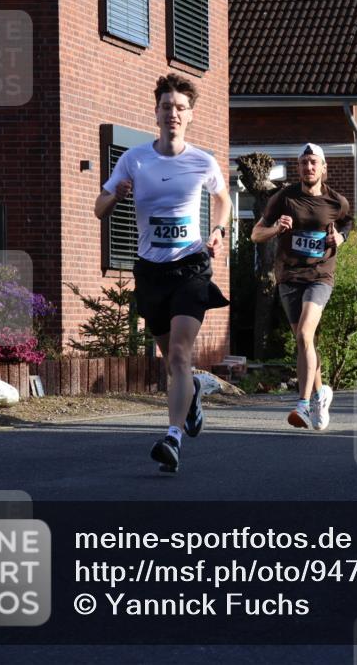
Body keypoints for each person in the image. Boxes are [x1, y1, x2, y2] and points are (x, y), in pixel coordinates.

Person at [94, 73, 231, 473]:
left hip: (190, 266)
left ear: (190, 116)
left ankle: (172, 438)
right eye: (167, 106)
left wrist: (218, 231)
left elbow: (221, 197)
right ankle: (192, 395)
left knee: (179, 353)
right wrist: (114, 195)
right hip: (150, 270)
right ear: (156, 112)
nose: (173, 113)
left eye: (181, 108)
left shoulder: (202, 160)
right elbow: (99, 208)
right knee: (173, 363)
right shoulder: (134, 159)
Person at [252, 143, 352, 427]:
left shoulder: (336, 201)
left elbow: (347, 223)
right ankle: (321, 393)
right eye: (304, 163)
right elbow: (256, 234)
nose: (308, 167)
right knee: (303, 341)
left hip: (320, 276)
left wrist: (341, 238)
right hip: (289, 277)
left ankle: (304, 404)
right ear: (299, 167)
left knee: (306, 334)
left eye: (313, 162)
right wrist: (276, 229)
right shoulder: (284, 198)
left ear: (323, 167)